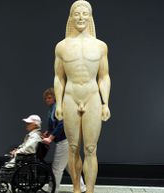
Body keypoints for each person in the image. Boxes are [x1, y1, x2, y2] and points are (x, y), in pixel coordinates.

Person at [53, 1, 111, 193]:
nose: (80, 17)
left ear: (90, 17)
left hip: (92, 97)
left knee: (91, 148)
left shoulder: (100, 46)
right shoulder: (61, 46)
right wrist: (59, 104)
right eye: (77, 14)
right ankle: (77, 188)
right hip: (70, 97)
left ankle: (90, 190)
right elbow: (59, 77)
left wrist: (105, 103)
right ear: (71, 16)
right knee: (72, 147)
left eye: (85, 14)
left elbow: (104, 76)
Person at [42, 88, 86, 193]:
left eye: (49, 97)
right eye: (46, 98)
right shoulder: (53, 108)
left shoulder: (59, 107)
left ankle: (52, 190)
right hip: (66, 141)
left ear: (55, 97)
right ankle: (82, 188)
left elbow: (62, 124)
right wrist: (48, 132)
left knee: (57, 168)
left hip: (64, 141)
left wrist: (51, 137)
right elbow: (54, 124)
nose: (47, 100)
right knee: (70, 167)